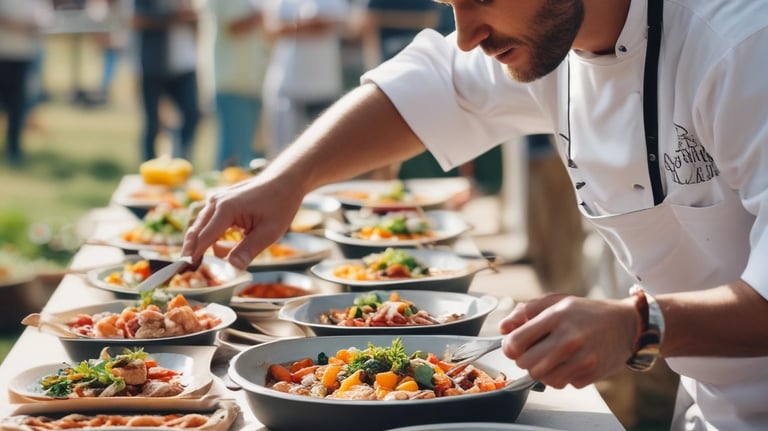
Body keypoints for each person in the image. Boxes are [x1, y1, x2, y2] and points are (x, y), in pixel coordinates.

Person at [182, 1, 768, 429]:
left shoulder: (743, 46)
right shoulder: (547, 35)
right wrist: (288, 179)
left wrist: (639, 325)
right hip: (712, 404)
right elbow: (429, 87)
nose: (466, 35)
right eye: (451, 4)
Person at [260, 0, 349, 156]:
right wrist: (311, 25)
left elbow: (343, 25)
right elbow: (271, 29)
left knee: (323, 153)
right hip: (287, 87)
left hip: (323, 89)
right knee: (283, 153)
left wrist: (293, 26)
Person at [132, 0, 200, 162]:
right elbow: (137, 19)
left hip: (184, 65)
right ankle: (149, 168)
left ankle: (180, 159)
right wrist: (174, 17)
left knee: (192, 114)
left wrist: (191, 19)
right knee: (152, 124)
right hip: (152, 66)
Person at [208, 0, 269, 169]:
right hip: (232, 82)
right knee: (233, 156)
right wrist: (263, 15)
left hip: (251, 82)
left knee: (246, 153)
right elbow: (234, 26)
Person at [0, 0, 53, 165]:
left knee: (17, 107)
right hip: (3, 54)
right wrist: (21, 25)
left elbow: (46, 19)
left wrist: (19, 25)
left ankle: (13, 151)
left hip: (24, 55)